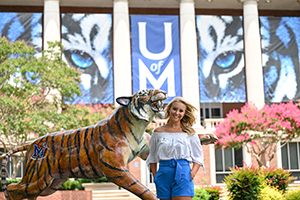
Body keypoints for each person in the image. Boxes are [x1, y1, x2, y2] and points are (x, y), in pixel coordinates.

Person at [146, 97, 205, 200]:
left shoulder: (190, 133)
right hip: (163, 174)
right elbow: (152, 157)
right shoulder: (157, 132)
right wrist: (155, 176)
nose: (177, 112)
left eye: (181, 111)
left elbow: (198, 156)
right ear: (169, 109)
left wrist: (192, 173)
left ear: (184, 114)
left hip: (183, 172)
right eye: (175, 109)